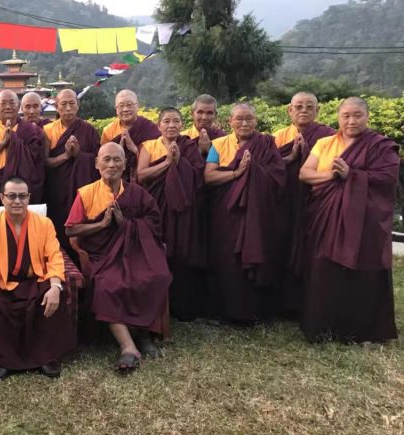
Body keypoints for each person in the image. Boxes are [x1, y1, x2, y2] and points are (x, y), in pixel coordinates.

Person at [298, 97, 398, 343]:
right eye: (346, 116)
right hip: (327, 215)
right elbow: (304, 173)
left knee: (360, 270)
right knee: (323, 266)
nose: (351, 120)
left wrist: (351, 175)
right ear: (338, 118)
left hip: (363, 221)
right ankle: (321, 326)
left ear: (367, 117)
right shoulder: (325, 143)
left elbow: (387, 179)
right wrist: (334, 176)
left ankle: (359, 329)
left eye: (357, 115)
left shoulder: (380, 146)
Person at [66, 143, 171, 372]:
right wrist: (102, 225)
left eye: (117, 159)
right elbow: (71, 230)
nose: (112, 164)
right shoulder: (86, 193)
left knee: (154, 277)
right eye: (106, 159)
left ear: (125, 164)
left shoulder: (137, 193)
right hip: (101, 255)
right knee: (107, 285)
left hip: (135, 251)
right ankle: (128, 347)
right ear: (97, 164)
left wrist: (126, 224)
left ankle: (145, 336)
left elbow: (154, 223)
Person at [0, 177, 75, 381]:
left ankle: (45, 357)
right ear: (2, 198)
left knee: (53, 296)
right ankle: (2, 359)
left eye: (22, 196)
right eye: (11, 196)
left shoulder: (44, 224)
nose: (17, 201)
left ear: (29, 198)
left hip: (34, 281)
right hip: (3, 282)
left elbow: (54, 256)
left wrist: (55, 286)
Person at [204, 103, 286, 324]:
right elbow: (209, 178)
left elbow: (278, 175)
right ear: (229, 121)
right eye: (238, 119)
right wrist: (237, 173)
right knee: (227, 259)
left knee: (258, 253)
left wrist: (255, 172)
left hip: (259, 212)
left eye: (249, 118)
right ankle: (228, 310)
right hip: (226, 211)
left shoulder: (267, 143)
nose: (244, 123)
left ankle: (257, 310)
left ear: (256, 121)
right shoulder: (218, 145)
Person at [137, 107, 207, 320]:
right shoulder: (149, 146)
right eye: (166, 121)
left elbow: (198, 176)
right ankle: (158, 305)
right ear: (159, 126)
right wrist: (168, 163)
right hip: (156, 208)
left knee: (182, 252)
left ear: (182, 125)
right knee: (158, 251)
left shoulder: (189, 146)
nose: (171, 125)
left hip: (183, 209)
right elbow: (141, 176)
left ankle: (181, 306)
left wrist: (180, 162)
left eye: (176, 121)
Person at [272, 92, 335, 315]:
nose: (304, 110)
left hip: (315, 201)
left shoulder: (329, 138)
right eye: (298, 106)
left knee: (310, 247)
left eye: (310, 107)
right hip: (284, 202)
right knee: (282, 245)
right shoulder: (278, 137)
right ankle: (281, 303)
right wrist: (290, 158)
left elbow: (333, 167)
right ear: (290, 110)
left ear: (318, 111)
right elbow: (267, 167)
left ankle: (308, 301)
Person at [43, 88, 100, 244]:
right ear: (56, 106)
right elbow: (45, 162)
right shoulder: (47, 130)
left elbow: (98, 161)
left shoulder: (89, 130)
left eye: (71, 104)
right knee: (58, 229)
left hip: (83, 189)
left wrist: (80, 156)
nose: (68, 108)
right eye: (63, 104)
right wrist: (67, 155)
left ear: (78, 105)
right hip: (57, 189)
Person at [0, 89, 45, 206]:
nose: (8, 107)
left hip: (23, 186)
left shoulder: (32, 131)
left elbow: (37, 163)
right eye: (3, 103)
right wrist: (2, 143)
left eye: (12, 103)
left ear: (19, 107)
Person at [100, 89, 160, 182]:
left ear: (137, 106)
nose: (125, 109)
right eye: (121, 106)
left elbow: (158, 159)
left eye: (129, 105)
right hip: (116, 182)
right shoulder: (108, 131)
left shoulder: (150, 128)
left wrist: (135, 149)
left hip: (146, 182)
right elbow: (104, 162)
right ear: (116, 109)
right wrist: (118, 152)